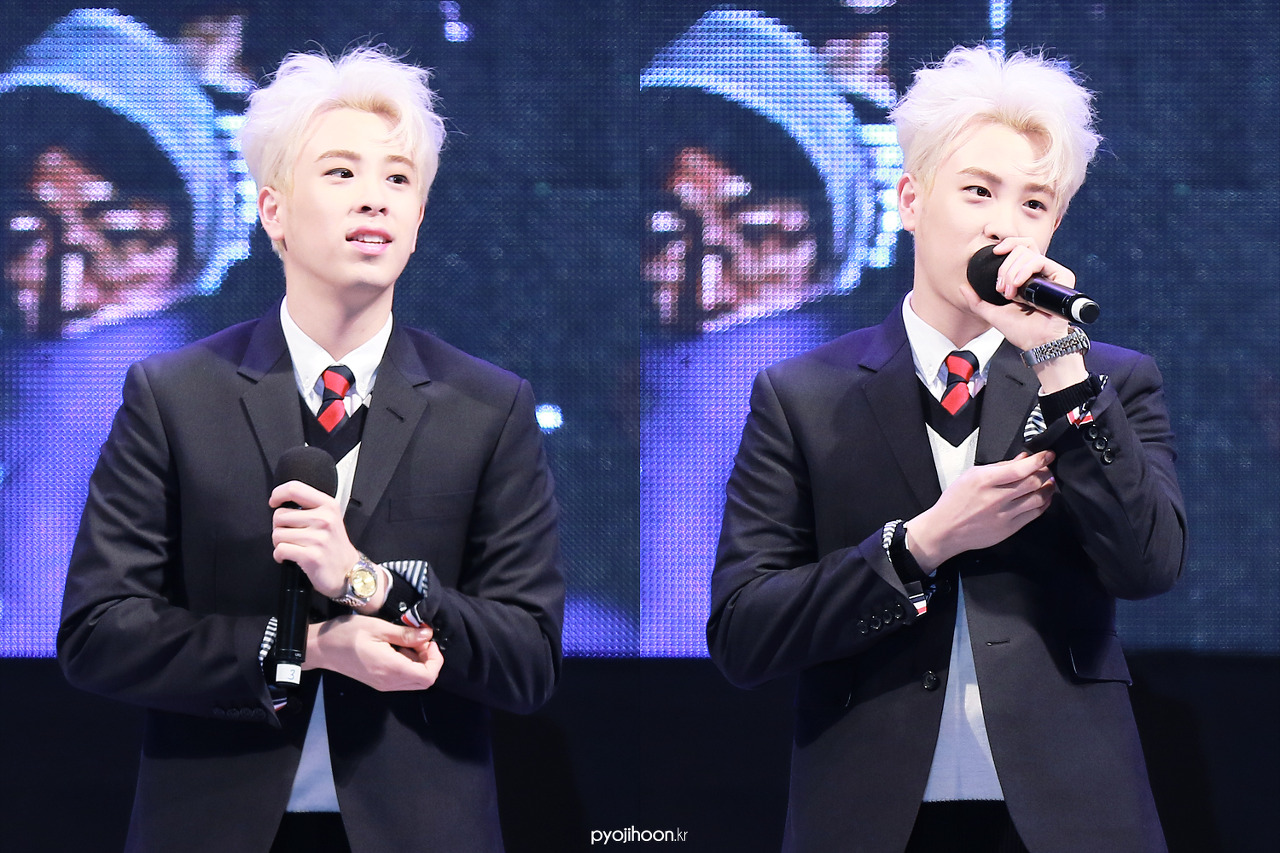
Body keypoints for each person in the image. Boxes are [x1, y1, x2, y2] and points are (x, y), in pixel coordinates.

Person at [57, 45, 564, 853]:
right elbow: (99, 632)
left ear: (419, 219)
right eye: (340, 172)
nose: (374, 197)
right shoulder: (174, 394)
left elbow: (529, 657)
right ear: (274, 211)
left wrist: (368, 582)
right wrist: (312, 649)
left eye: (398, 179)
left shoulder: (488, 406)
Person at [708, 45, 1186, 852]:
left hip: (1069, 813)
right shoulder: (801, 395)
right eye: (977, 191)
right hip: (870, 813)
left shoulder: (1110, 380)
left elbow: (1148, 565)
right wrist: (918, 545)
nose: (1004, 224)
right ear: (910, 199)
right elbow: (744, 632)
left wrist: (1061, 367)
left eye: (1034, 203)